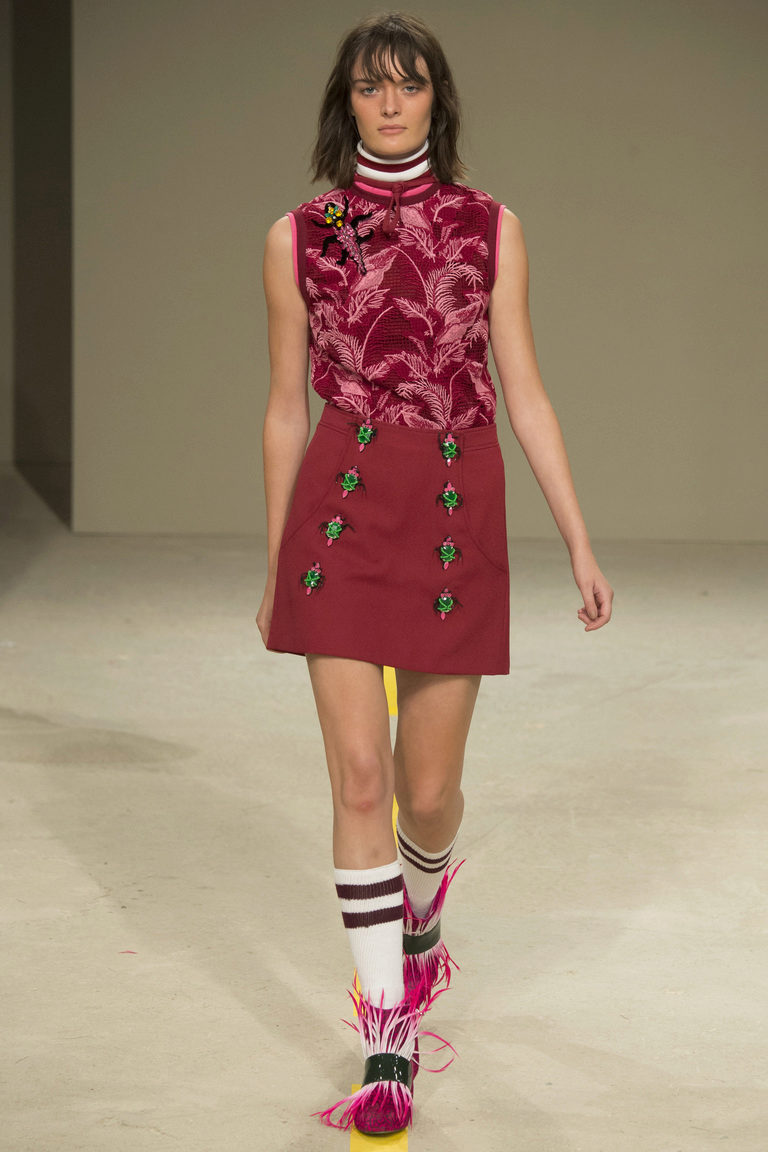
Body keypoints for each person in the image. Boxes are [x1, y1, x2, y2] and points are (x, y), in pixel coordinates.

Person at [256, 10, 613, 1136]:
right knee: (358, 781)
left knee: (425, 794)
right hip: (340, 514)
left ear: (436, 100)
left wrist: (578, 538)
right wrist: (276, 564)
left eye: (408, 84)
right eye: (370, 86)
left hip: (457, 511)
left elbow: (527, 392)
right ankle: (386, 1036)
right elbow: (284, 408)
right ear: (347, 104)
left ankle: (421, 915)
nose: (390, 103)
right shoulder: (298, 236)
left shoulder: (489, 226)